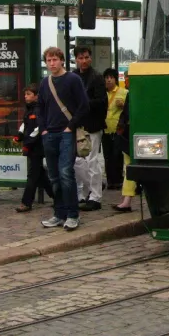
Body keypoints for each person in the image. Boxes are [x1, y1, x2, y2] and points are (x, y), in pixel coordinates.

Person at [37, 46, 89, 231]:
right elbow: (40, 108)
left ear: (61, 60)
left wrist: (70, 127)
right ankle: (59, 214)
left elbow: (84, 106)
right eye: (48, 61)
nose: (52, 63)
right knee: (54, 176)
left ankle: (72, 214)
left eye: (54, 60)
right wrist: (43, 130)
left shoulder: (73, 79)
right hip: (49, 134)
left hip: (67, 133)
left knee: (66, 173)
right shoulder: (45, 83)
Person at [73, 46, 107, 212]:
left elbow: (102, 102)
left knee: (92, 160)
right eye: (80, 58)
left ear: (90, 58)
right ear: (76, 59)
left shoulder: (97, 77)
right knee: (79, 161)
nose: (84, 60)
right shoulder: (73, 75)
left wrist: (83, 103)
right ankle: (89, 190)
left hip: (92, 125)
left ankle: (95, 197)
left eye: (86, 57)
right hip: (78, 125)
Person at [14, 84, 53, 212]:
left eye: (29, 94)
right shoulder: (29, 109)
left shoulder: (38, 109)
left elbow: (38, 129)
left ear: (36, 96)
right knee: (40, 175)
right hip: (32, 146)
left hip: (37, 146)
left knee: (32, 175)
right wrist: (19, 136)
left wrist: (27, 143)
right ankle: (58, 197)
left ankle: (26, 203)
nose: (26, 96)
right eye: (25, 94)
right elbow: (25, 125)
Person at [112, 91, 138, 212]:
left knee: (129, 166)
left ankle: (126, 200)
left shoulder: (131, 91)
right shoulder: (132, 91)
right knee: (128, 166)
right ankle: (126, 199)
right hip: (130, 132)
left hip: (131, 132)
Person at [102, 68, 127, 191]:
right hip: (105, 129)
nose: (108, 80)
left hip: (118, 129)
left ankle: (118, 180)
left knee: (117, 155)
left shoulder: (124, 92)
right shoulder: (102, 93)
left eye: (111, 77)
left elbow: (128, 110)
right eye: (106, 78)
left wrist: (123, 105)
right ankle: (110, 180)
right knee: (107, 156)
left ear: (115, 79)